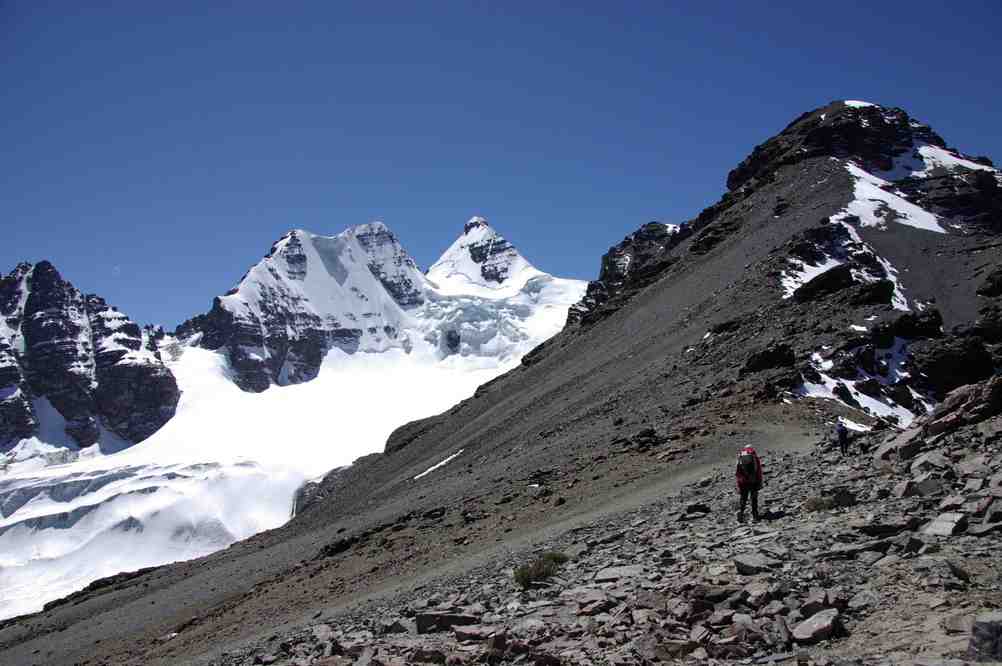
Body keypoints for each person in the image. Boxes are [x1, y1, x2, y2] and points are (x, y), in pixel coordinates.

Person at [735, 445, 764, 523]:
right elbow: (758, 471)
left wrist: (739, 485)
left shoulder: (740, 458)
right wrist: (760, 482)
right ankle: (755, 516)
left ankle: (740, 514)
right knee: (754, 499)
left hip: (743, 482)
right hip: (753, 481)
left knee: (743, 499)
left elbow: (737, 473)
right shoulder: (754, 457)